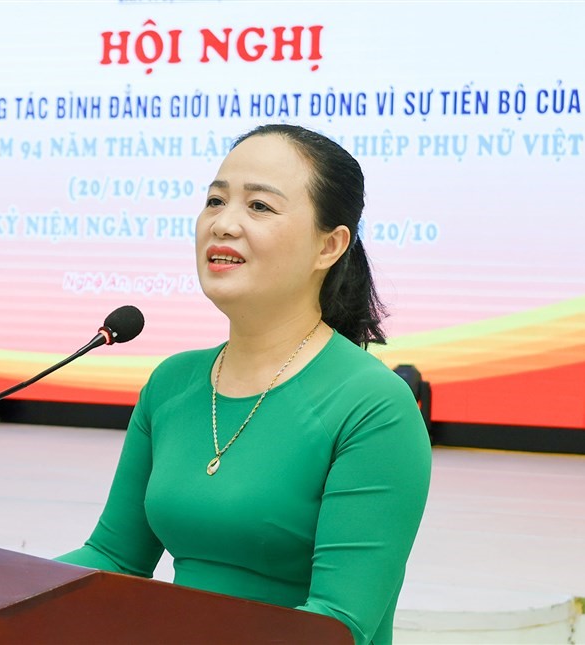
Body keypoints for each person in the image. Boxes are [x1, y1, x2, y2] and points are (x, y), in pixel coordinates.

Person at [57, 124, 432, 645]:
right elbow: (113, 558)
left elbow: (337, 624)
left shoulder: (373, 405)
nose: (224, 223)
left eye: (259, 206)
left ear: (329, 245)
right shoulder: (172, 384)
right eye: (215, 200)